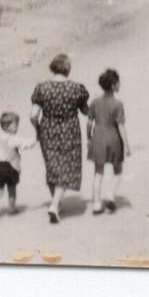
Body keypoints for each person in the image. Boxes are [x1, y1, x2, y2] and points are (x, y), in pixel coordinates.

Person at [30, 53, 90, 223]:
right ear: (68, 69)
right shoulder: (76, 89)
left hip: (47, 131)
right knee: (67, 168)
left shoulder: (41, 88)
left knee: (53, 168)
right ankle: (55, 205)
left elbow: (33, 115)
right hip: (70, 132)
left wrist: (38, 130)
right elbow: (86, 111)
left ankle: (56, 202)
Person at [88, 69, 130, 214]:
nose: (120, 84)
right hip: (114, 139)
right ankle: (110, 194)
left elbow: (89, 123)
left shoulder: (94, 102)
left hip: (98, 138)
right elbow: (121, 126)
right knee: (118, 170)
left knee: (98, 172)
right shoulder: (118, 104)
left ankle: (96, 204)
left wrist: (89, 137)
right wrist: (127, 145)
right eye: (118, 82)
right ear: (113, 85)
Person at [0, 111, 38, 220]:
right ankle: (11, 208)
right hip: (11, 167)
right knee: (12, 189)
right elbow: (26, 144)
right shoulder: (15, 139)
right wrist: (37, 139)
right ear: (6, 126)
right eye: (15, 125)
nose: (17, 128)